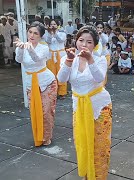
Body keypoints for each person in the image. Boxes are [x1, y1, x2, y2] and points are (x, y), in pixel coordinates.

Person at [57, 25, 112, 180]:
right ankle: (87, 173)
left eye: (89, 42)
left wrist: (90, 59)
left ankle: (99, 176)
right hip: (79, 106)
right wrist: (68, 61)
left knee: (100, 144)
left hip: (100, 107)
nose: (84, 45)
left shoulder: (100, 59)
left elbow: (99, 78)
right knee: (81, 141)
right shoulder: (69, 58)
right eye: (81, 40)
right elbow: (61, 79)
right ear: (76, 41)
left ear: (94, 45)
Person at [14, 21, 57, 146]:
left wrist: (29, 48)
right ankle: (38, 136)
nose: (32, 35)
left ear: (40, 36)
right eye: (30, 32)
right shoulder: (22, 46)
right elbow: (18, 60)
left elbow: (36, 59)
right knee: (34, 110)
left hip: (47, 82)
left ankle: (47, 136)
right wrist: (21, 48)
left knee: (46, 111)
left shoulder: (44, 47)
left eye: (35, 33)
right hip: (31, 83)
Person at [45, 19, 67, 99]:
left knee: (61, 73)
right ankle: (53, 92)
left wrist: (55, 33)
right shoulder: (47, 34)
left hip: (60, 55)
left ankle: (62, 92)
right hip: (51, 55)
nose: (53, 26)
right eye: (51, 24)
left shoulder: (62, 33)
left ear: (58, 25)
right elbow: (48, 41)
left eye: (54, 24)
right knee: (51, 74)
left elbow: (60, 40)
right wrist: (51, 33)